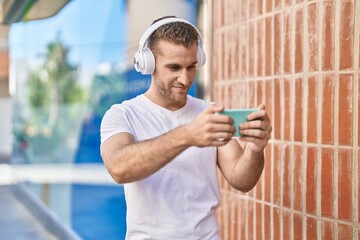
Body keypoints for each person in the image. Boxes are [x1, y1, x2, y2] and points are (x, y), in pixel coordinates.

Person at [100, 16, 272, 240]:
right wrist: (188, 135)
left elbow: (242, 180)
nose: (185, 78)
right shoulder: (123, 115)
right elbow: (119, 169)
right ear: (147, 64)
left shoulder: (210, 113)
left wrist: (255, 150)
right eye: (174, 67)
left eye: (191, 66)